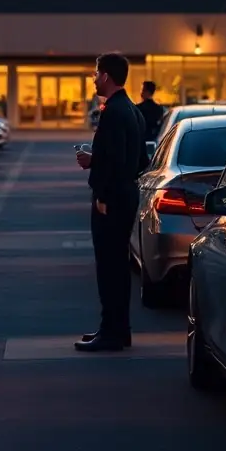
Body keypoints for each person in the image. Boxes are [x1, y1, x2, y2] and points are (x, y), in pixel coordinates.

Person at [74, 52, 148, 352]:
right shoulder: (132, 109)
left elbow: (117, 161)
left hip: (113, 198)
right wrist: (96, 159)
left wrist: (103, 196)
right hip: (126, 193)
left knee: (110, 268)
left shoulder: (113, 112)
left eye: (96, 73)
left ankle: (113, 333)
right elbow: (137, 158)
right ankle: (115, 329)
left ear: (105, 75)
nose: (93, 79)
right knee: (116, 266)